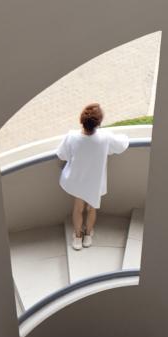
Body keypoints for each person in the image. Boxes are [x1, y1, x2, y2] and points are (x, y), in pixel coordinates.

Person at [57, 103, 129, 250]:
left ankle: (78, 238)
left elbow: (62, 154)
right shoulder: (105, 137)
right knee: (92, 208)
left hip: (78, 180)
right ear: (98, 123)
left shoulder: (71, 136)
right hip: (95, 182)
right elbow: (121, 145)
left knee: (78, 209)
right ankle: (88, 235)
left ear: (82, 120)